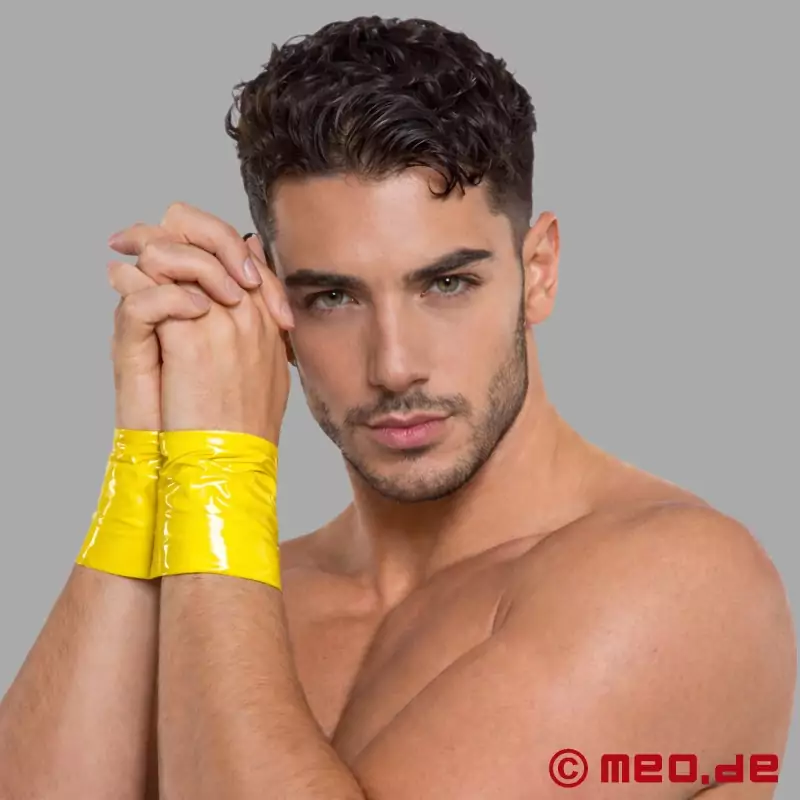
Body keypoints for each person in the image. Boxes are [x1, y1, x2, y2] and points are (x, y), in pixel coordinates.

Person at [0, 15, 795, 800]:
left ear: (539, 271)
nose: (394, 365)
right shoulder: (234, 585)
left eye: (446, 284)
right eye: (332, 296)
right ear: (268, 299)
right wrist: (154, 454)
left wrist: (221, 470)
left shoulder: (682, 582)